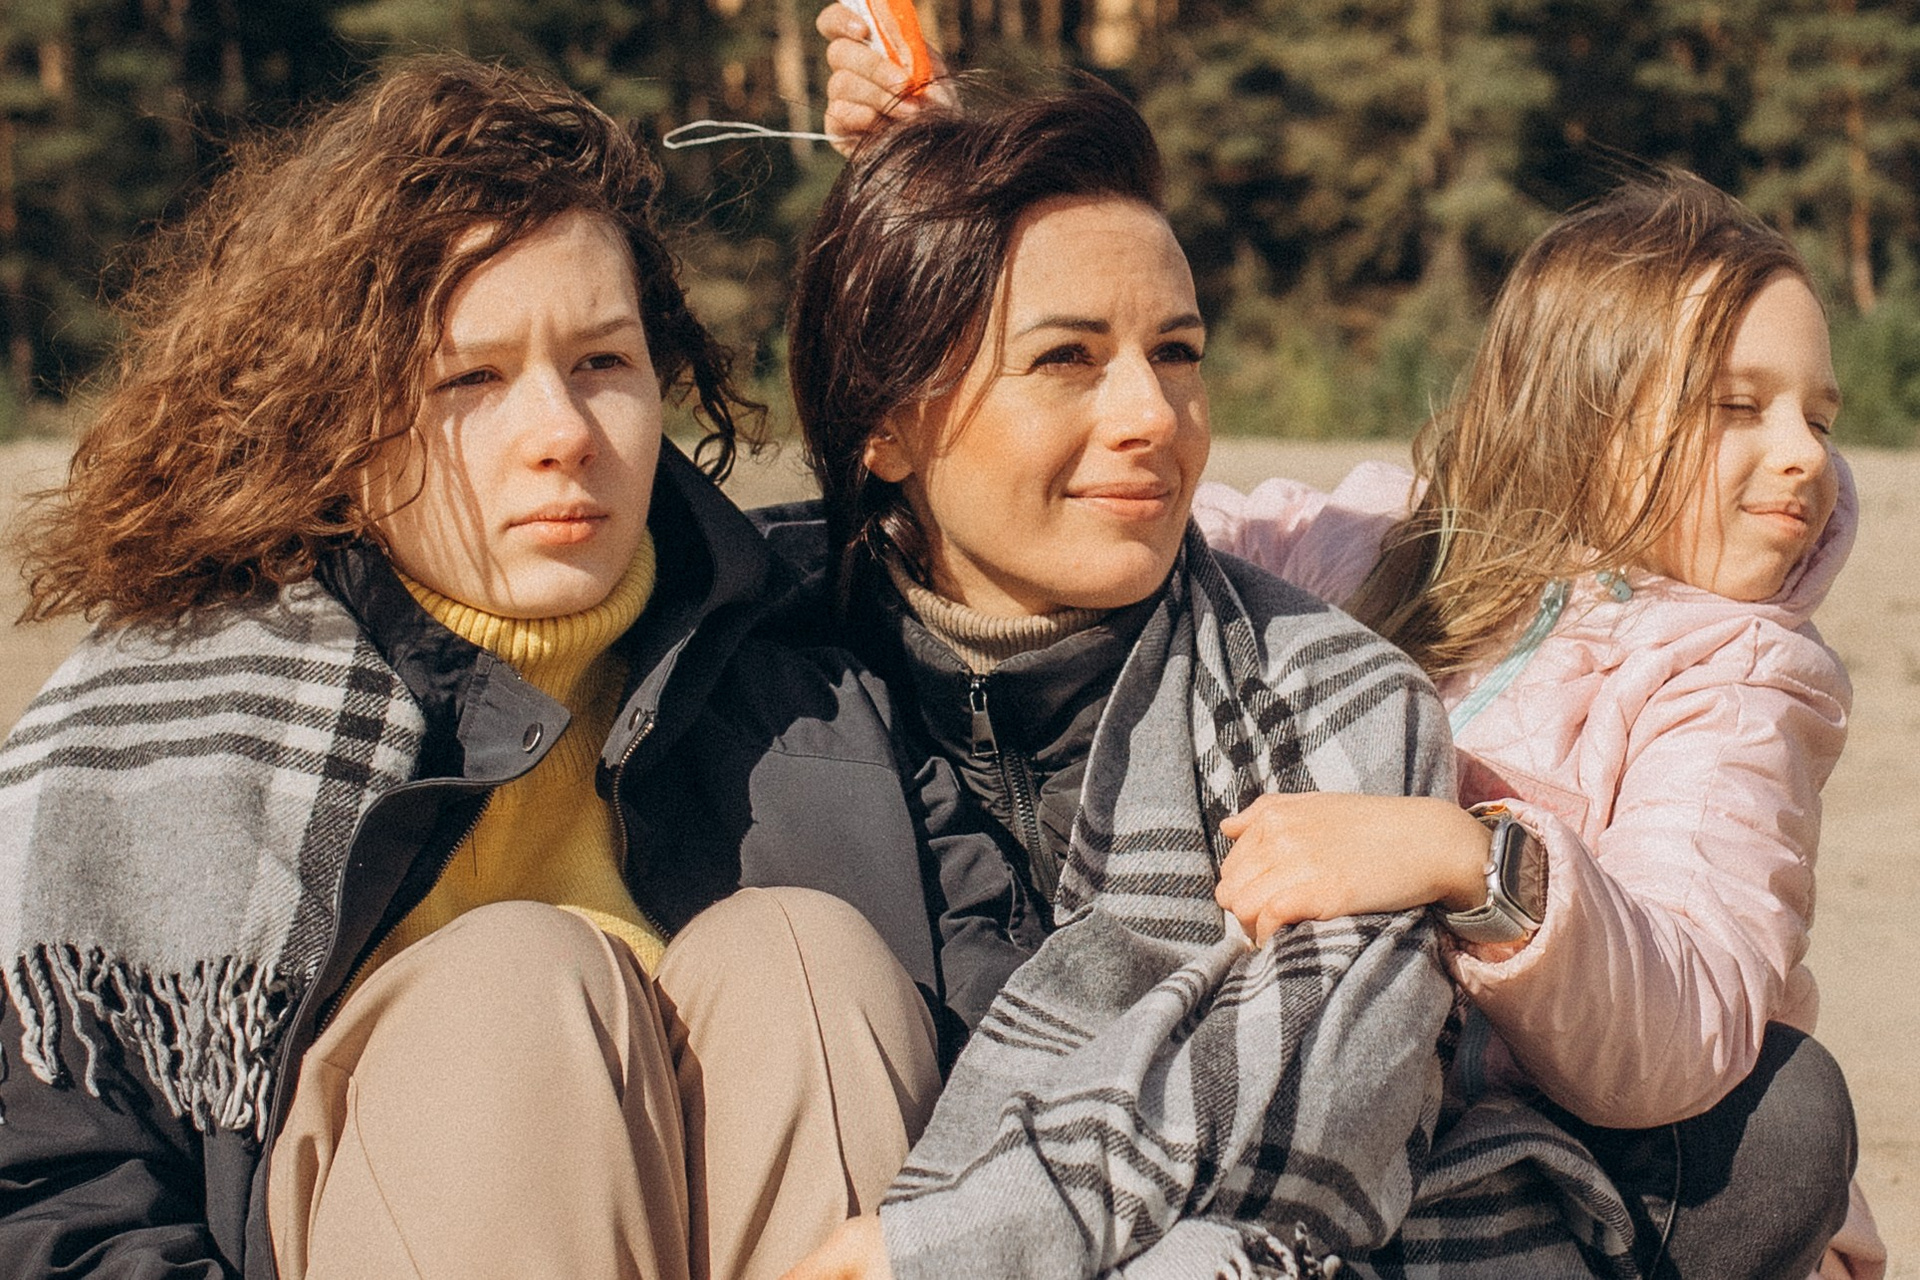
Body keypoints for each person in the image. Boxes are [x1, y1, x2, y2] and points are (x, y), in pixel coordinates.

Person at [0, 55, 1026, 1280]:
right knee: (521, 983)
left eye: (602, 363)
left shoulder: (814, 680)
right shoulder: (164, 733)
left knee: (801, 954)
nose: (562, 434)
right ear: (337, 417)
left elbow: (1045, 1066)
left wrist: (962, 217)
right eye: (471, 378)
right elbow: (56, 1200)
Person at [768, 84, 1649, 1280]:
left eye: (1176, 353)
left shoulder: (1333, 694)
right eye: (1067, 357)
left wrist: (950, 1249)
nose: (1155, 414)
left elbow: (1321, 1096)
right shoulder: (759, 660)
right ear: (885, 421)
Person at [1190, 171, 1879, 1280]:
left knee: (1790, 1115)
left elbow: (1685, 1019)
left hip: (1571, 1158)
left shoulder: (1740, 678)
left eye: (1821, 416)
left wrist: (1479, 864)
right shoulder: (1383, 545)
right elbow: (1160, 544)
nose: (1807, 452)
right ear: (1579, 407)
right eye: (1739, 405)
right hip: (1336, 1099)